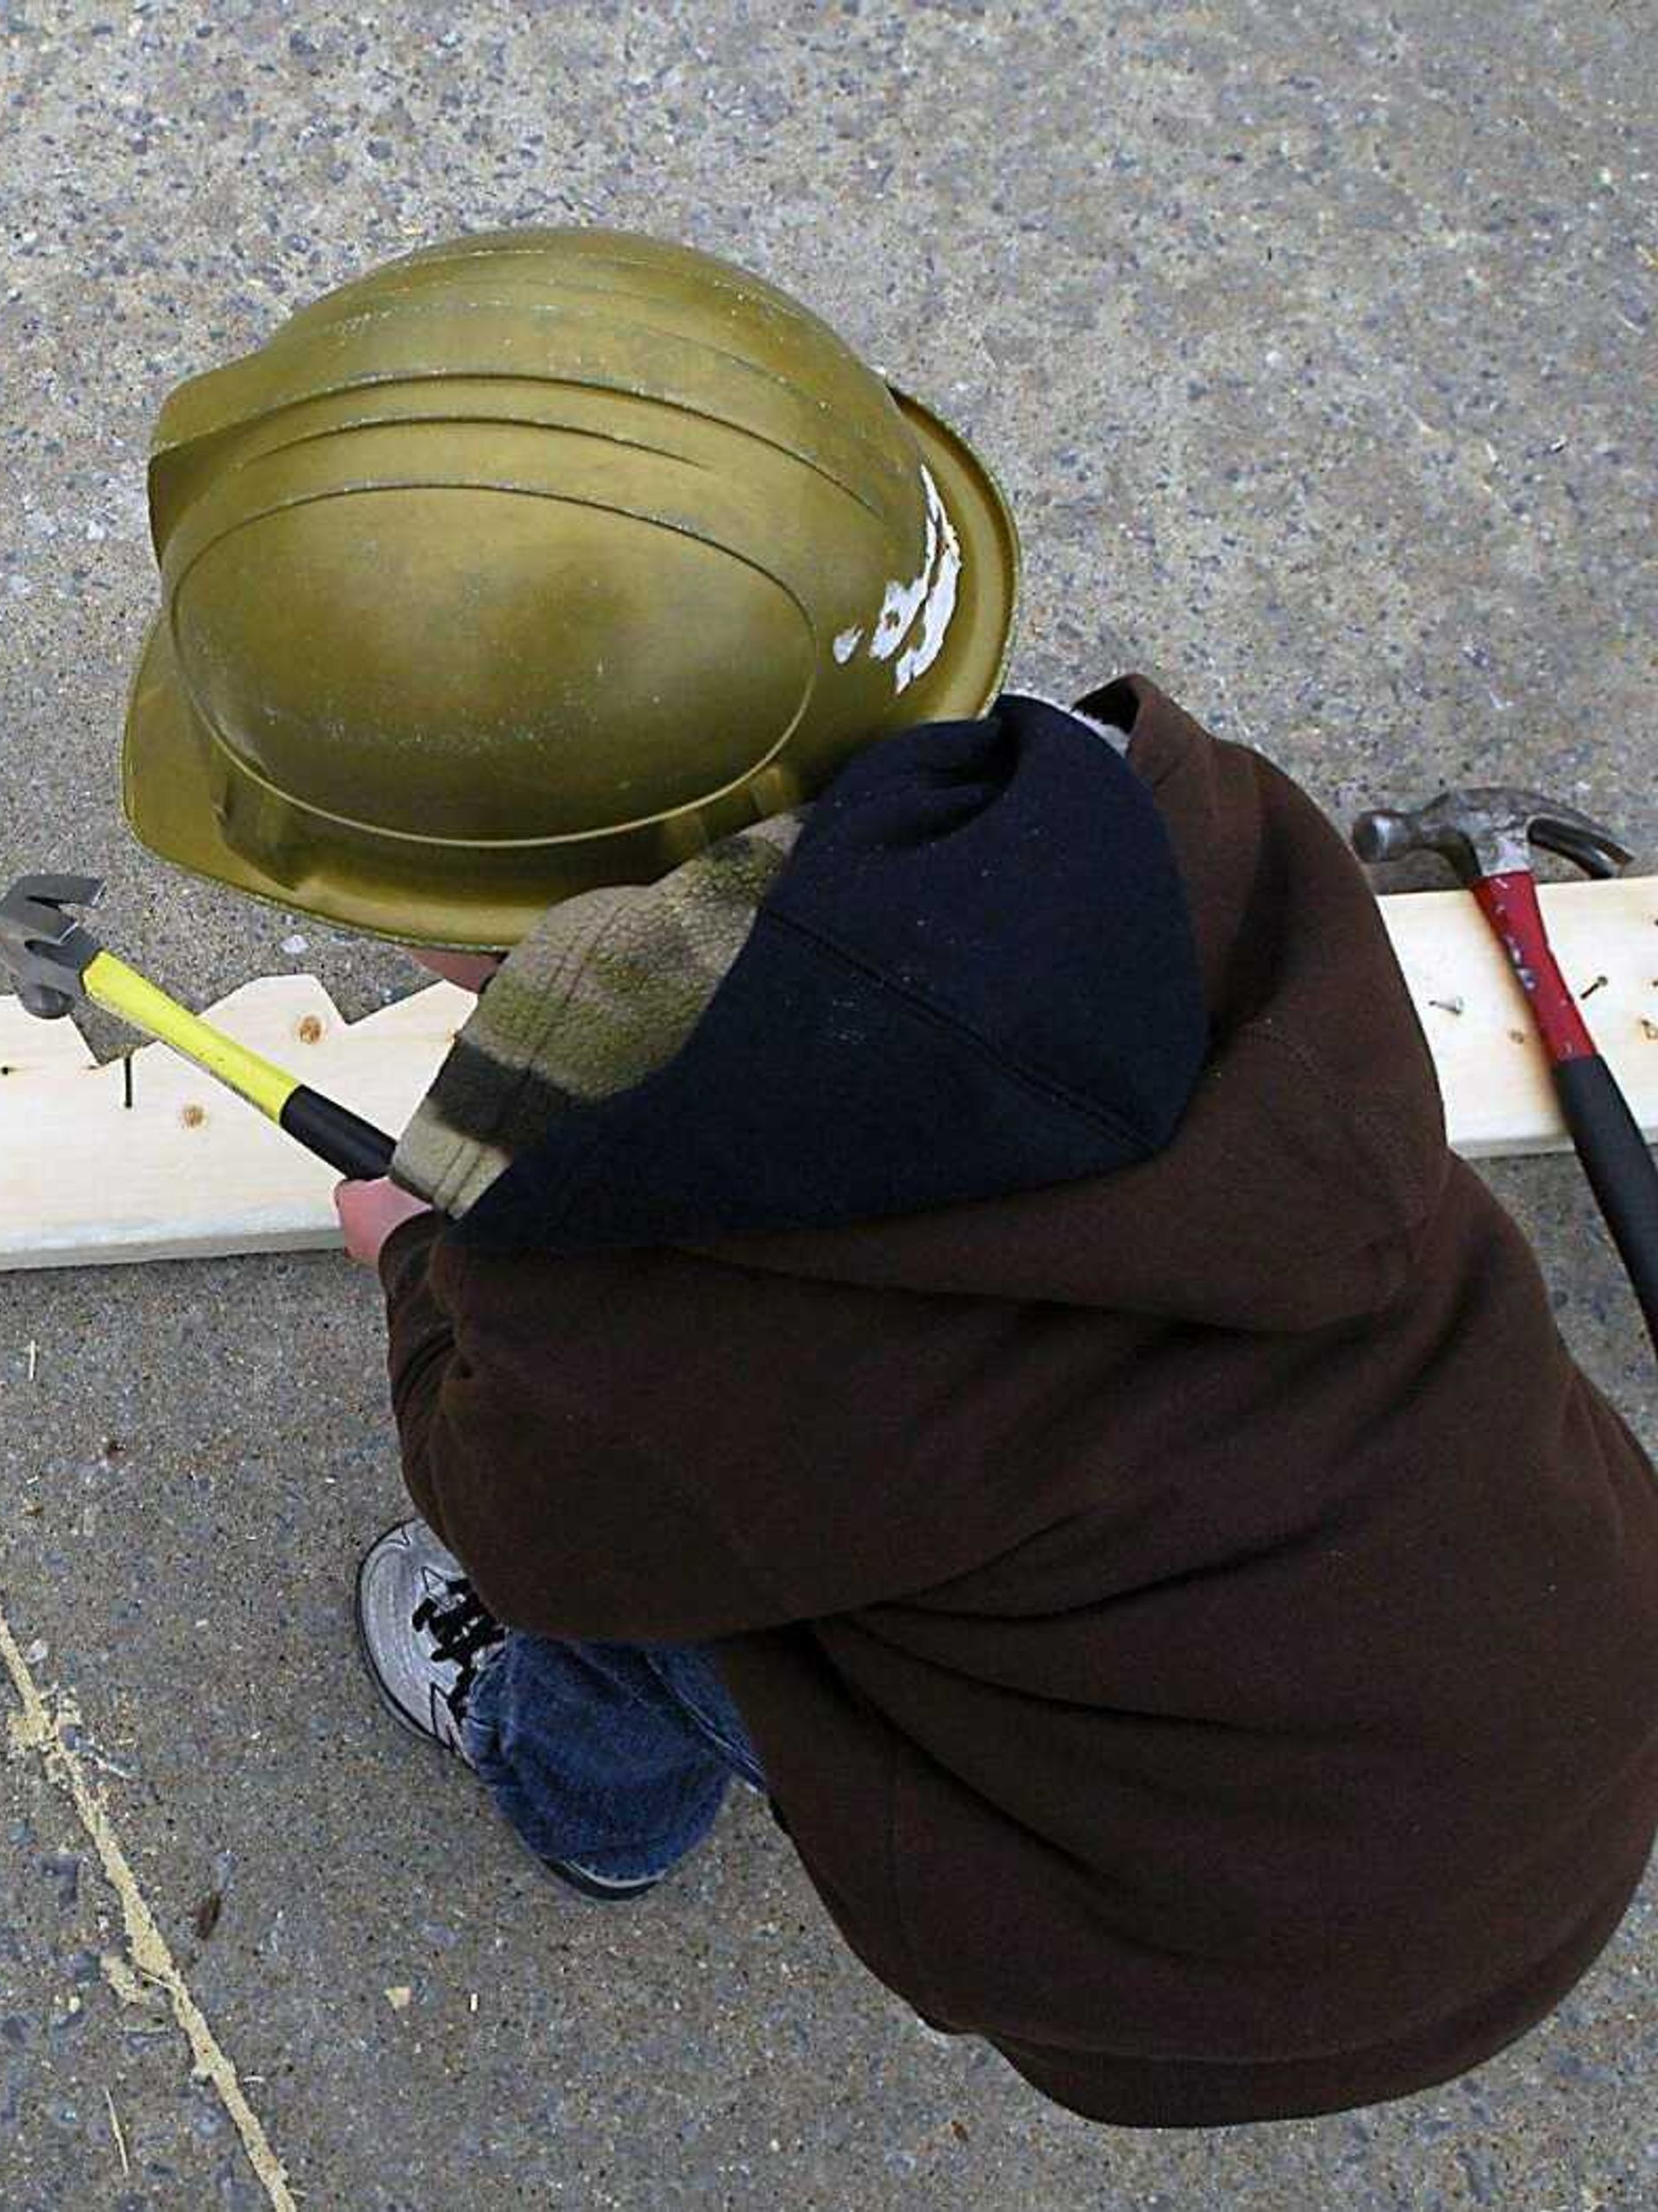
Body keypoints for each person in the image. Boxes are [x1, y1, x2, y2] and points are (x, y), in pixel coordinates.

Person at [118, 227, 1658, 2127]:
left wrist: (427, 1268)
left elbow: (520, 1502)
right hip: (1578, 1664)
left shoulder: (637, 1325)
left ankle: (581, 1787)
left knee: (637, 1603)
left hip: (1220, 1961)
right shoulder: (1200, 841)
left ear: (464, 934)